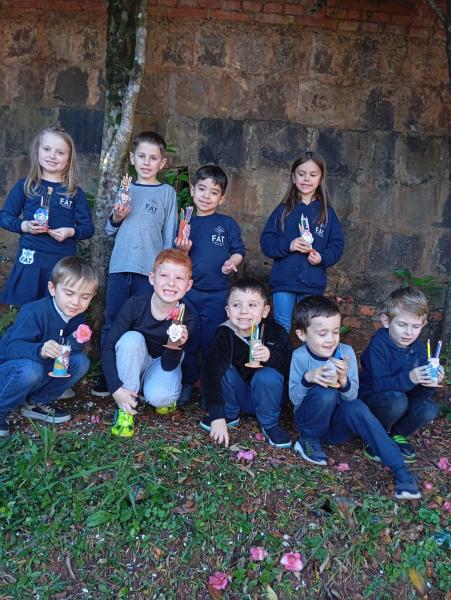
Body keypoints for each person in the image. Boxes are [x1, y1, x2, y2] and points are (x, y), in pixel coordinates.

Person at [289, 295, 421, 500]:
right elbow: (295, 399)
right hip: (309, 423)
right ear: (302, 334)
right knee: (325, 391)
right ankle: (308, 441)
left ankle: (401, 470)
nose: (331, 339)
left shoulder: (346, 352)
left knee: (357, 406)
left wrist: (343, 380)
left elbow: (351, 397)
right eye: (322, 333)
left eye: (335, 332)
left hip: (336, 429)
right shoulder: (300, 356)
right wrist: (309, 378)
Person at [92, 131, 178, 397]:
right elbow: (109, 229)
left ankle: (136, 374)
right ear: (132, 158)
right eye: (141, 156)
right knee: (113, 320)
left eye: (153, 158)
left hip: (149, 273)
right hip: (120, 267)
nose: (146, 162)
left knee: (141, 323)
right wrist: (118, 216)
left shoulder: (166, 193)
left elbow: (169, 236)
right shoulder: (125, 188)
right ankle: (109, 376)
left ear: (162, 162)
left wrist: (163, 271)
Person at [0, 257, 98, 437]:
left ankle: (36, 402)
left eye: (84, 297)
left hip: (39, 370)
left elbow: (67, 353)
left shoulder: (77, 317)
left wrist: (75, 340)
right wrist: (40, 350)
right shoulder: (35, 312)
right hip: (10, 371)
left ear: (92, 295)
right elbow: (11, 348)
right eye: (69, 293)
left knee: (81, 362)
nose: (76, 302)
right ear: (52, 289)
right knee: (32, 369)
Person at [101, 249, 196, 435]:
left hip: (163, 363)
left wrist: (177, 345)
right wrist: (115, 388)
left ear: (188, 285)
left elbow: (169, 365)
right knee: (131, 339)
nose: (171, 283)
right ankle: (125, 408)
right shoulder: (135, 304)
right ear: (152, 278)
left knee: (160, 397)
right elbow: (109, 345)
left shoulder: (188, 316)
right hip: (137, 358)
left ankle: (156, 390)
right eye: (164, 275)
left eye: (179, 278)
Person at [0, 126, 94, 307]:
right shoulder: (25, 186)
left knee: (55, 310)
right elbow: (4, 216)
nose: (52, 156)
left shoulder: (74, 192)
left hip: (60, 260)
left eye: (60, 152)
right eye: (47, 149)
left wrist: (71, 232)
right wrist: (24, 226)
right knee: (26, 310)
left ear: (68, 159)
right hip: (30, 257)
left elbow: (88, 228)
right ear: (37, 151)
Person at [175, 165, 245, 406]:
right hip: (189, 293)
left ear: (222, 198)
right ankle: (186, 382)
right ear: (192, 190)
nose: (206, 196)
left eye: (213, 192)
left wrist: (231, 263)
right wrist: (182, 250)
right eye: (201, 189)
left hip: (218, 294)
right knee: (188, 338)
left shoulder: (226, 224)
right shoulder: (186, 221)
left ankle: (210, 387)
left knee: (211, 341)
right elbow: (176, 256)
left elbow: (238, 251)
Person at [200, 279, 292, 449]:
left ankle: (270, 424)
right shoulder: (224, 332)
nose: (244, 311)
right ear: (228, 311)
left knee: (268, 375)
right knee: (223, 369)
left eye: (252, 305)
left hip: (267, 398)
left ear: (265, 311)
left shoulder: (275, 331)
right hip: (238, 396)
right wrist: (216, 415)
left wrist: (270, 357)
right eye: (236, 305)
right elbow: (210, 373)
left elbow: (290, 369)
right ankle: (229, 414)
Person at [260, 150, 344, 332]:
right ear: (293, 177)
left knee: (310, 329)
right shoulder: (282, 210)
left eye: (313, 174)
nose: (306, 179)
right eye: (301, 174)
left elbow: (337, 246)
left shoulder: (327, 214)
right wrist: (288, 245)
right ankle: (281, 361)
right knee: (282, 327)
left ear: (321, 178)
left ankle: (305, 361)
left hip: (312, 283)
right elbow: (266, 241)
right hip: (283, 281)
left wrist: (321, 257)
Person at [359, 286, 441, 462]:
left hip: (400, 403)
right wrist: (410, 377)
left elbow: (418, 395)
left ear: (423, 324)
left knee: (430, 408)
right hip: (373, 402)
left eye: (415, 326)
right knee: (397, 400)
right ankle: (375, 435)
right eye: (402, 325)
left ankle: (396, 433)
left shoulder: (419, 349)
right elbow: (379, 385)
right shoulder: (378, 345)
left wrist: (429, 384)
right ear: (386, 321)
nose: (409, 332)